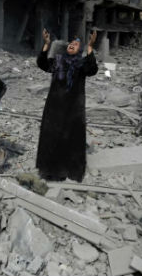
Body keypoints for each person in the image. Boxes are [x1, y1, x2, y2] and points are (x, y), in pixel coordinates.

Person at [36, 28, 98, 182]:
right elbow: (42, 63)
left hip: (72, 109)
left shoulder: (82, 64)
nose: (72, 45)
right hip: (55, 107)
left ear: (80, 50)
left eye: (76, 45)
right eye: (71, 43)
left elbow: (93, 69)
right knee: (52, 137)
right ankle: (50, 171)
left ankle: (69, 172)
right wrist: (47, 44)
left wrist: (90, 47)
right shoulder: (58, 61)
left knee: (70, 138)